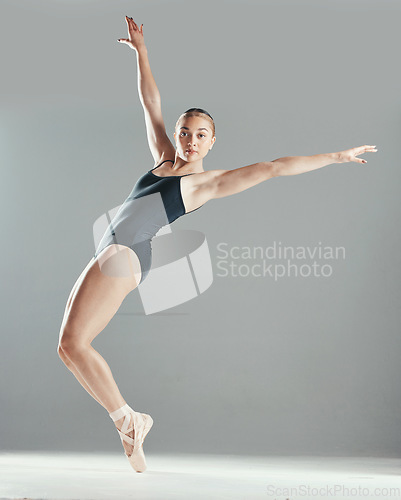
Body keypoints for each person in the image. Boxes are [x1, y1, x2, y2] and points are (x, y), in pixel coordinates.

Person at [57, 15, 377, 473]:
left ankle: (128, 419)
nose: (188, 140)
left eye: (199, 134)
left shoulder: (203, 184)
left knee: (76, 342)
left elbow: (272, 167)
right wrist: (143, 53)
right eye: (185, 131)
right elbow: (151, 105)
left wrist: (336, 156)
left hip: (126, 253)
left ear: (212, 142)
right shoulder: (163, 161)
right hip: (111, 248)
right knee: (68, 346)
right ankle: (130, 419)